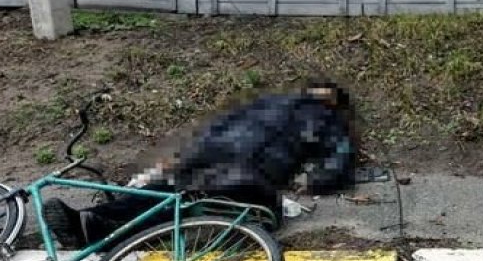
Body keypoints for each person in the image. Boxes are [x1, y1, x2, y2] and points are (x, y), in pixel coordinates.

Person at [43, 81, 359, 248]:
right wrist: (314, 183)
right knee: (178, 200)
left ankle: (93, 222)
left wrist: (179, 160)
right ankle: (95, 225)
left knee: (165, 193)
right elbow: (337, 162)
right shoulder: (325, 118)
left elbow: (211, 135)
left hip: (214, 166)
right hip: (244, 178)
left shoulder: (264, 107)